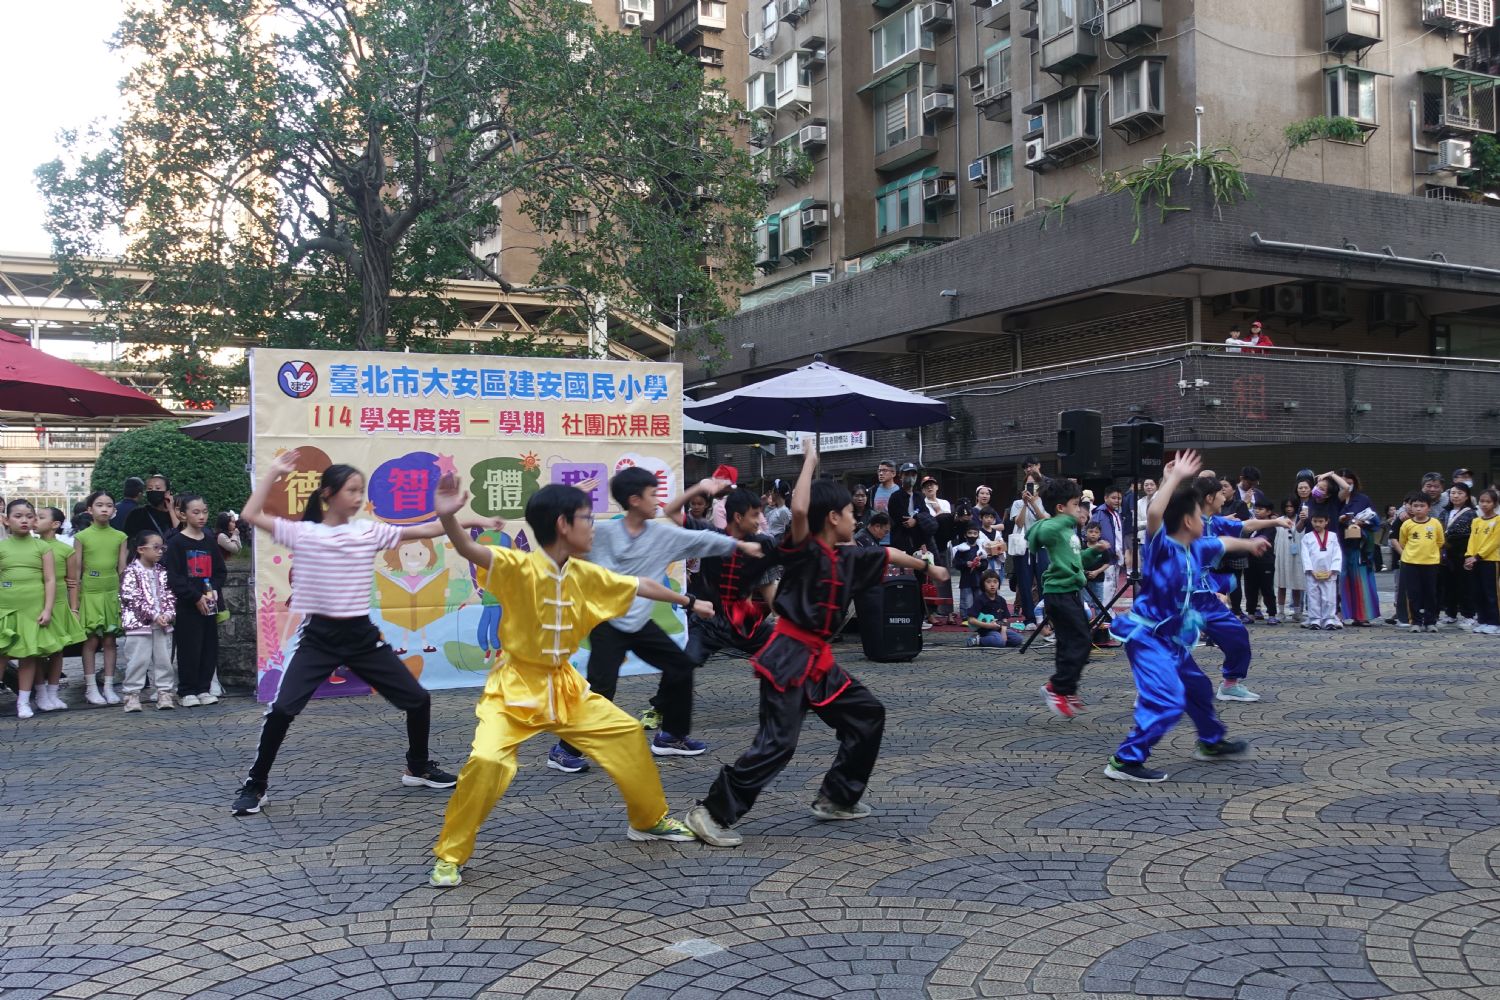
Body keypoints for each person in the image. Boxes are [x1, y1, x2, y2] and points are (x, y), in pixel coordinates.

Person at [428, 478, 709, 888]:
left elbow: (639, 586)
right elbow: (470, 549)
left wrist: (689, 601)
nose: (592, 527)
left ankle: (648, 820)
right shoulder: (517, 566)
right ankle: (450, 854)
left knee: (627, 733)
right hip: (514, 687)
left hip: (565, 686)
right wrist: (448, 516)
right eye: (586, 518)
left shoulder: (586, 574)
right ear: (563, 524)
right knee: (488, 761)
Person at [683, 438, 948, 848]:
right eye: (849, 512)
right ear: (833, 517)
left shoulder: (850, 558)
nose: (855, 517)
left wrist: (929, 568)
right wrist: (809, 461)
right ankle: (711, 812)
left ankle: (837, 797)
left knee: (866, 715)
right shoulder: (803, 549)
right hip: (788, 656)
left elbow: (892, 553)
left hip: (818, 662)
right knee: (778, 744)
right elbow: (801, 510)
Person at [231, 453, 468, 818]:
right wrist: (273, 473)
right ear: (328, 494)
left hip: (361, 637)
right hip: (318, 638)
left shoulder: (368, 531)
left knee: (418, 700)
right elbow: (250, 514)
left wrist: (454, 515)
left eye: (361, 491)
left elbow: (430, 530)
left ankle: (418, 767)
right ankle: (256, 784)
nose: (358, 498)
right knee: (281, 710)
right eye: (351, 490)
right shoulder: (304, 533)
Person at [548, 471, 749, 773]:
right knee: (602, 688)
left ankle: (672, 736)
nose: (658, 501)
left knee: (680, 666)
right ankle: (563, 750)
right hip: (607, 622)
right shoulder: (601, 533)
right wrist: (570, 498)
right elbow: (558, 531)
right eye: (653, 495)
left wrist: (742, 545)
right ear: (634, 500)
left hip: (639, 622)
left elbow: (700, 539)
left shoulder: (659, 534)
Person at [1104, 450, 1264, 783]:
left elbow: (1223, 542)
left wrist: (1249, 546)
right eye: (1197, 515)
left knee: (1198, 687)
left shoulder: (1198, 547)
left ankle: (1210, 742)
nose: (1203, 521)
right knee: (1167, 700)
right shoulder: (1162, 546)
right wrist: (1174, 478)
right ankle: (1125, 760)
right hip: (1147, 638)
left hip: (1172, 639)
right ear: (1188, 522)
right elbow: (1155, 512)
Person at [1191, 475, 1291, 703]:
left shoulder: (1213, 521)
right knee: (1171, 644)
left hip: (1205, 594)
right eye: (1220, 493)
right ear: (1209, 497)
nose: (1225, 496)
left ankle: (1230, 684)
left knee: (1236, 634)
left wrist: (1276, 522)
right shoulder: (1186, 523)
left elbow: (1245, 525)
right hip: (1181, 595)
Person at [1025, 477, 1095, 719]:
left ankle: (1065, 689)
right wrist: (1069, 518)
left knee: (1070, 643)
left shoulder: (1066, 530)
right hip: (1059, 593)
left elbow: (1075, 559)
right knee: (1081, 640)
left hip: (1071, 592)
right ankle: (1057, 687)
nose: (1079, 510)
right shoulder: (1054, 526)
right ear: (1060, 508)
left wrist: (1094, 553)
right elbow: (1040, 531)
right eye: (1075, 504)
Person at [163, 494, 225, 708]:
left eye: (204, 512)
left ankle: (203, 688)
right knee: (189, 647)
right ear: (183, 515)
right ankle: (187, 690)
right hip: (187, 605)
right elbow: (174, 577)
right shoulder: (176, 543)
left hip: (210, 603)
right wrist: (195, 596)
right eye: (196, 512)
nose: (201, 516)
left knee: (209, 646)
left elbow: (220, 571)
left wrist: (212, 590)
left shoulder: (209, 540)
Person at [0, 499, 57, 719]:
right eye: (18, 516)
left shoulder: (42, 547)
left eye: (29, 516)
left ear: (34, 521)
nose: (24, 520)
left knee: (29, 655)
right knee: (2, 653)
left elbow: (50, 579)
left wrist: (47, 609)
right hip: (6, 609)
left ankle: (23, 702)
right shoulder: (2, 546)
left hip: (34, 609)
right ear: (6, 520)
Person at [74, 491, 128, 706]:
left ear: (114, 510)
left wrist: (124, 597)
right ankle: (90, 688)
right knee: (91, 640)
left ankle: (108, 686)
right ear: (90, 509)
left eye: (109, 505)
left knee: (110, 640)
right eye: (99, 505)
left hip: (111, 593)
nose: (104, 509)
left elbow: (122, 569)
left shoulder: (120, 536)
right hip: (89, 592)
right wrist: (75, 602)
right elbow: (76, 571)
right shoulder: (82, 537)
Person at [32, 507, 85, 712]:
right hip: (37, 603)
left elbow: (72, 582)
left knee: (57, 651)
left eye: (40, 517)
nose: (35, 520)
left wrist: (74, 609)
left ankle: (53, 693)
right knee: (37, 650)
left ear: (55, 524)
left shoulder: (65, 550)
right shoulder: (32, 546)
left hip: (60, 605)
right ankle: (40, 693)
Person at [119, 531, 177, 712]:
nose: (160, 551)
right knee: (138, 660)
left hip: (162, 625)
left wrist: (168, 614)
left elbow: (169, 595)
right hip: (139, 625)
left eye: (162, 548)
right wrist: (153, 615)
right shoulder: (131, 571)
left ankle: (164, 692)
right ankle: (131, 694)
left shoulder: (162, 571)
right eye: (156, 547)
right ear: (141, 549)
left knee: (164, 660)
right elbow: (131, 598)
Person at [1327, 469, 1381, 626]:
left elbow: (1375, 520)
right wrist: (1339, 520)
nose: (1346, 485)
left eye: (1349, 482)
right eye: (1342, 482)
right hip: (1336, 544)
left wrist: (1361, 522)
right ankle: (1338, 613)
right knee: (1337, 579)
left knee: (1360, 580)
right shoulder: (1331, 500)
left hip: (1359, 546)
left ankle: (1362, 615)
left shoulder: (1363, 499)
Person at [1394, 493, 1444, 633]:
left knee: (1430, 593)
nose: (1418, 509)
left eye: (1422, 506)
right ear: (1411, 507)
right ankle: (1415, 621)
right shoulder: (1407, 524)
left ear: (1429, 508)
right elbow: (1403, 542)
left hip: (1431, 563)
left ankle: (1430, 621)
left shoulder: (1435, 523)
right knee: (1413, 593)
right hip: (1410, 562)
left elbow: (1440, 541)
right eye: (1415, 506)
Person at [1439, 482, 1477, 626]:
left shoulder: (1471, 513)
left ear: (1467, 496)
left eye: (1460, 493)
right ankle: (1450, 613)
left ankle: (1468, 614)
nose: (1455, 496)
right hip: (1446, 553)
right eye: (1453, 493)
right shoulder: (1444, 512)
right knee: (1448, 584)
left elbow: (1474, 536)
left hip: (1463, 552)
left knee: (1465, 584)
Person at [1465, 488, 1500, 635]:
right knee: (1477, 592)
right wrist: (1469, 556)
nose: (1484, 504)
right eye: (1482, 501)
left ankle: (1495, 622)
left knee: (1491, 592)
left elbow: (1494, 542)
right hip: (1475, 560)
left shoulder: (1498, 520)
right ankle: (1483, 620)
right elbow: (1472, 539)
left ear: (1495, 504)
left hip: (1490, 560)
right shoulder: (1476, 521)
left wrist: (1478, 556)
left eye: (1488, 502)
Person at [1242, 498, 1280, 624]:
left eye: (1261, 509)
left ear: (1269, 512)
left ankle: (1272, 614)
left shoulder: (1270, 526)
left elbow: (1263, 539)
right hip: (1250, 561)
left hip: (1265, 562)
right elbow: (1243, 536)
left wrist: (1249, 542)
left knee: (1267, 588)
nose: (1257, 511)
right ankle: (1251, 613)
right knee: (1250, 588)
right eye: (1256, 509)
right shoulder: (1252, 524)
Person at [1301, 512, 1341, 630]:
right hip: (1313, 572)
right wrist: (1310, 570)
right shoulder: (1307, 537)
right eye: (1315, 521)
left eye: (1320, 521)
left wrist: (1333, 570)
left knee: (1329, 597)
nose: (1317, 524)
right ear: (1311, 521)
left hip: (1329, 572)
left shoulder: (1333, 536)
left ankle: (1329, 619)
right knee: (1313, 597)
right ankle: (1315, 619)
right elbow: (1305, 555)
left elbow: (1337, 554)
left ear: (1326, 522)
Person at [966, 570, 1023, 648]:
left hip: (999, 628)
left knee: (1018, 639)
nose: (992, 585)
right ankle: (978, 640)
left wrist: (1003, 632)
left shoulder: (1001, 600)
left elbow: (1004, 619)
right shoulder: (979, 600)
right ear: (983, 584)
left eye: (995, 582)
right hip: (986, 630)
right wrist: (988, 625)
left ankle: (995, 640)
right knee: (999, 641)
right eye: (988, 582)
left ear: (999, 584)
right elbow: (971, 620)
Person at [122, 473, 179, 539]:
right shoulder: (137, 514)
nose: (153, 491)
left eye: (158, 488)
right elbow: (129, 538)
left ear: (167, 493)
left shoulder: (176, 513)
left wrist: (171, 509)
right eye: (149, 488)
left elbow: (182, 534)